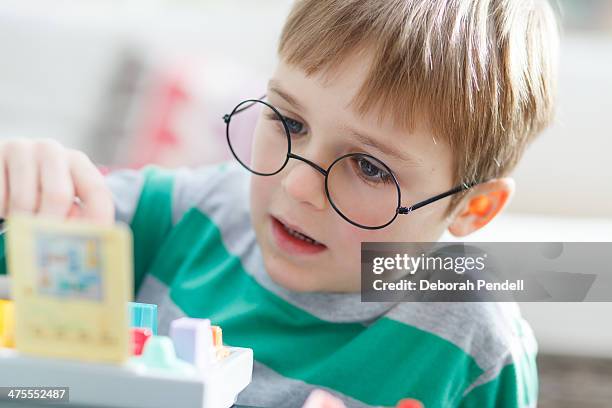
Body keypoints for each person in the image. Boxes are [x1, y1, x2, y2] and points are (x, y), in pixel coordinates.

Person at [0, 0, 559, 406]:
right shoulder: (179, 213)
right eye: (288, 121)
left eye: (369, 167)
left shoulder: (476, 348)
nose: (296, 186)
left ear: (471, 209)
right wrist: (18, 192)